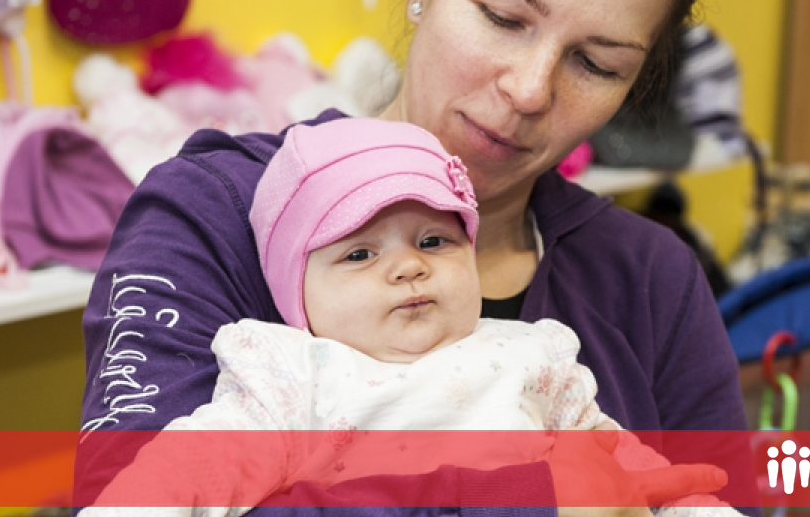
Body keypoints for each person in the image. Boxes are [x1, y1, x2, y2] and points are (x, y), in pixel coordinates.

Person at [76, 0, 758, 515]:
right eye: (503, 17)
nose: (529, 90)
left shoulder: (651, 279)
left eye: (597, 65)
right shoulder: (213, 215)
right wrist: (521, 500)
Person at [80, 118, 738, 516]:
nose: (407, 267)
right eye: (359, 253)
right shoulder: (293, 375)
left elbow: (628, 472)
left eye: (434, 241)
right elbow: (191, 471)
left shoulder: (531, 356)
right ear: (297, 295)